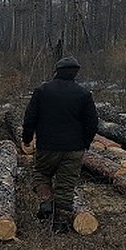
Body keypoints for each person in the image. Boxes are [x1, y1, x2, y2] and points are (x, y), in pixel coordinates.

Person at [21, 56, 98, 231]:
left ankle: (46, 202)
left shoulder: (42, 91)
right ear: (75, 73)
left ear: (57, 71)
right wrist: (84, 143)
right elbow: (92, 124)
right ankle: (60, 223)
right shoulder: (84, 94)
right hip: (74, 148)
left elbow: (30, 118)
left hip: (47, 146)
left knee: (41, 174)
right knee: (66, 184)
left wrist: (27, 138)